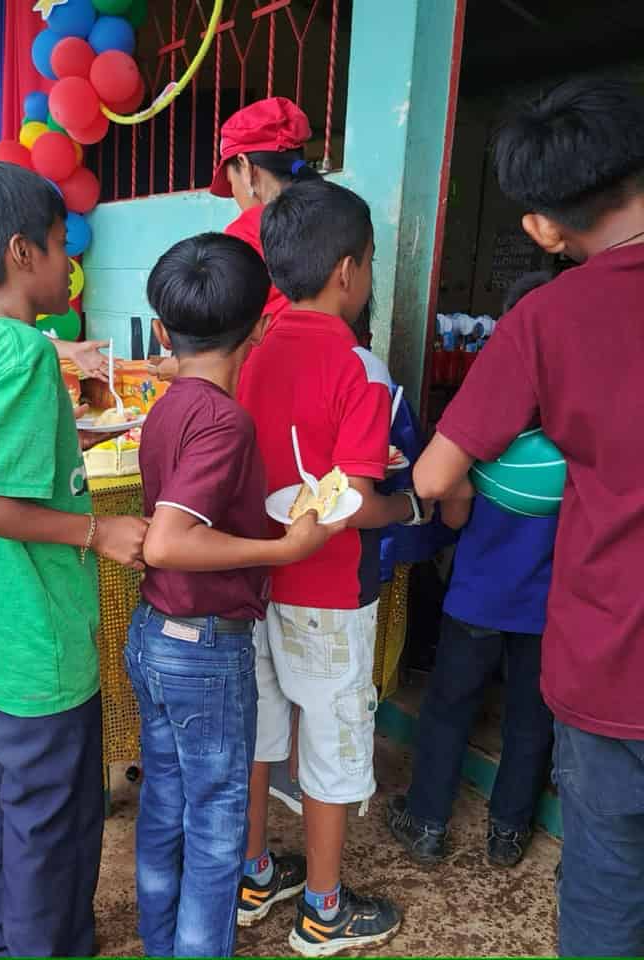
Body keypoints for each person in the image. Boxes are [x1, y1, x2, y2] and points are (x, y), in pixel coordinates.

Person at [412, 78, 644, 958]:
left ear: (545, 225)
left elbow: (439, 473)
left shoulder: (548, 317)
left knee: (609, 883)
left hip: (612, 657)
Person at [0, 160, 147, 958]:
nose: (68, 262)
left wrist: (84, 441)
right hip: (38, 655)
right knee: (50, 834)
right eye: (60, 245)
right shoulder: (22, 353)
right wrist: (98, 533)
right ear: (23, 252)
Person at [128, 232, 342, 958]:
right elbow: (167, 540)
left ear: (163, 333)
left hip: (156, 635)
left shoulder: (167, 406)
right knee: (217, 829)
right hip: (204, 649)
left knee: (165, 804)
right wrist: (282, 549)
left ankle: (161, 942)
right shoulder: (224, 419)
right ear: (260, 326)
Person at [237, 178, 432, 957]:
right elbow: (352, 502)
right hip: (327, 593)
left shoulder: (246, 353)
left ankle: (253, 873)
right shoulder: (361, 369)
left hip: (252, 582)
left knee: (259, 735)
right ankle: (321, 908)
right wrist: (410, 507)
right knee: (329, 740)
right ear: (349, 271)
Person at [388, 272, 557, 870]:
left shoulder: (484, 414)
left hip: (479, 596)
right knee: (529, 716)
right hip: (549, 607)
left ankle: (427, 822)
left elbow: (453, 512)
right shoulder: (577, 417)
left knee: (448, 706)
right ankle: (508, 833)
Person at [149, 96, 316, 384]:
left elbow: (225, 347)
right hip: (325, 378)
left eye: (232, 182)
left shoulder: (248, 231)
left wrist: (179, 367)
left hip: (272, 380)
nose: (236, 196)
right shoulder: (334, 218)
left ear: (246, 166)